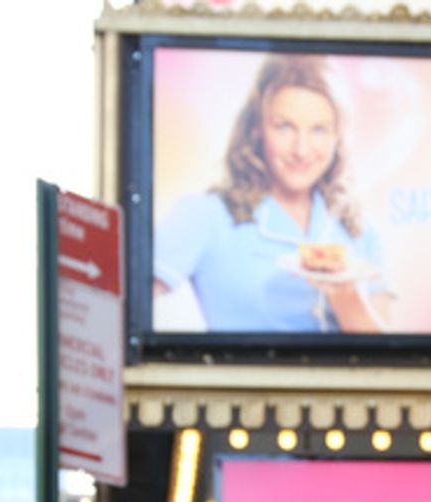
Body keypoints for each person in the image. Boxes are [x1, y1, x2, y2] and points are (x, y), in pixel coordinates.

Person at [153, 53, 392, 334]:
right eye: (284, 127)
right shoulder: (205, 215)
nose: (301, 150)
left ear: (337, 136)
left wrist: (346, 298)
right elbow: (125, 307)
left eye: (319, 130)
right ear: (256, 128)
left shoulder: (358, 230)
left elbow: (384, 355)